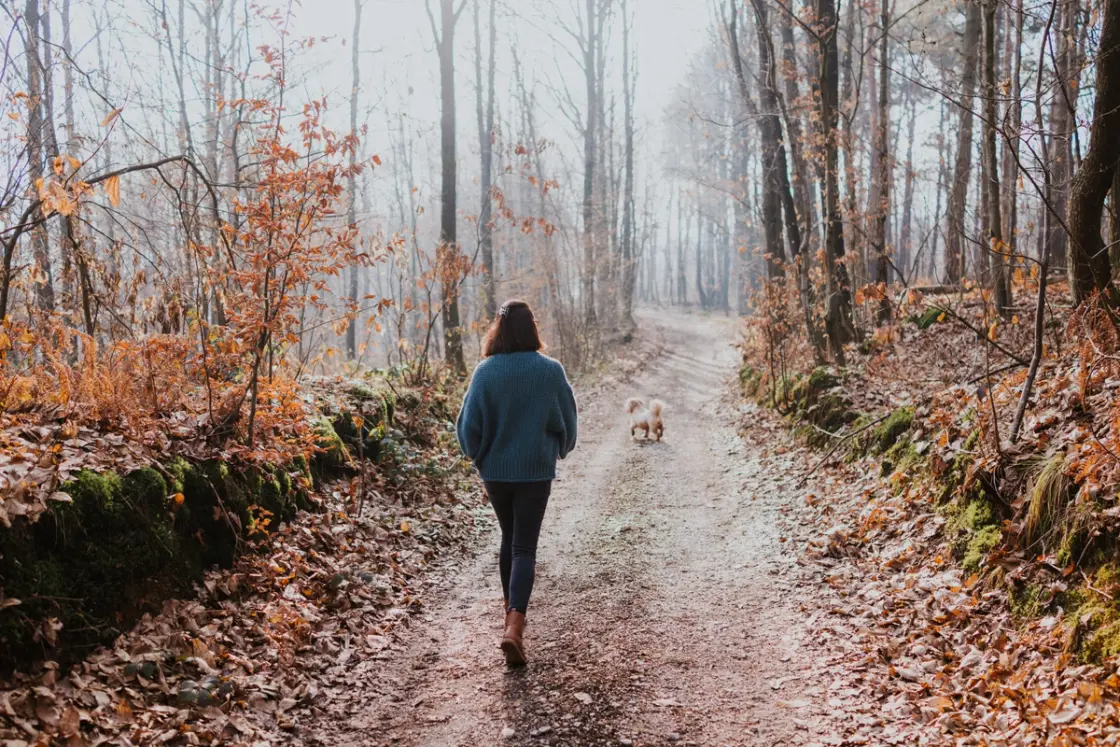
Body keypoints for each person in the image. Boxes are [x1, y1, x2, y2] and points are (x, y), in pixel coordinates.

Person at [456, 299, 578, 667]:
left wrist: (477, 455)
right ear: (533, 329)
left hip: (496, 472)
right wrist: (561, 447)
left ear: (500, 329)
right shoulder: (550, 371)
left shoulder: (485, 372)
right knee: (524, 547)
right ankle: (515, 626)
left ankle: (510, 615)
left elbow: (467, 428)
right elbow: (568, 421)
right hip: (535, 472)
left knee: (509, 539)